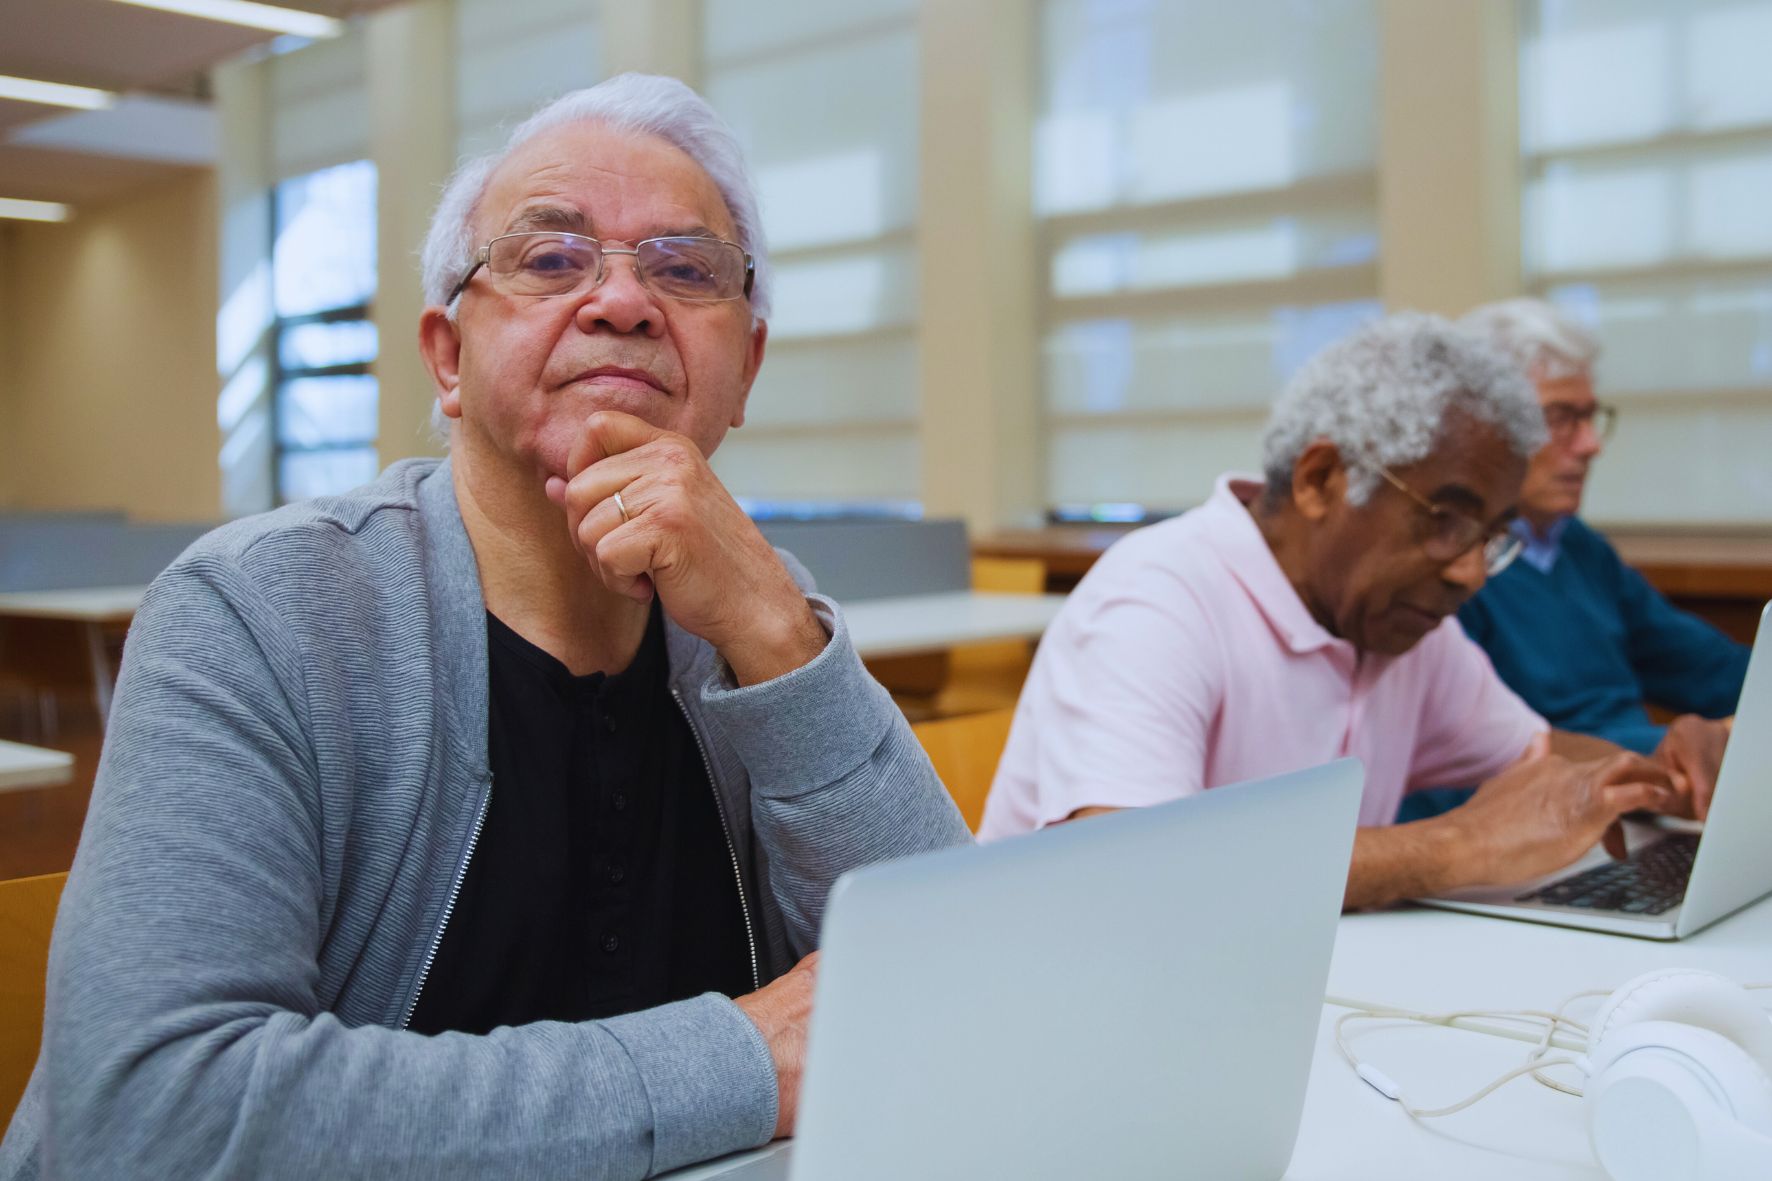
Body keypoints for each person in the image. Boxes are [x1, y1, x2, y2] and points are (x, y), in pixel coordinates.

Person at [0, 75, 968, 1181]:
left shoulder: (757, 609)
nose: (620, 302)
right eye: (551, 258)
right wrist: (743, 1055)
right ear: (448, 357)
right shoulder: (257, 613)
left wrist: (779, 636)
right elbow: (158, 1117)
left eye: (683, 267)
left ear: (742, 367)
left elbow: (951, 984)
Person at [978, 313, 1683, 910]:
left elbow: (1536, 755)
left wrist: (1669, 768)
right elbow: (1129, 874)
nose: (1470, 571)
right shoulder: (1160, 595)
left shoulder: (1398, 625)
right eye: (1445, 520)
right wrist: (1454, 845)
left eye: (1494, 536)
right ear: (1321, 480)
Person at [1455, 298, 1747, 818]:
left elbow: (1714, 669)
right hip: (1553, 817)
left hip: (1641, 804)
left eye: (1591, 417)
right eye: (1560, 419)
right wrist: (1667, 751)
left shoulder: (1579, 547)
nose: (1591, 445)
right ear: (1482, 427)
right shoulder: (1453, 572)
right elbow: (1480, 755)